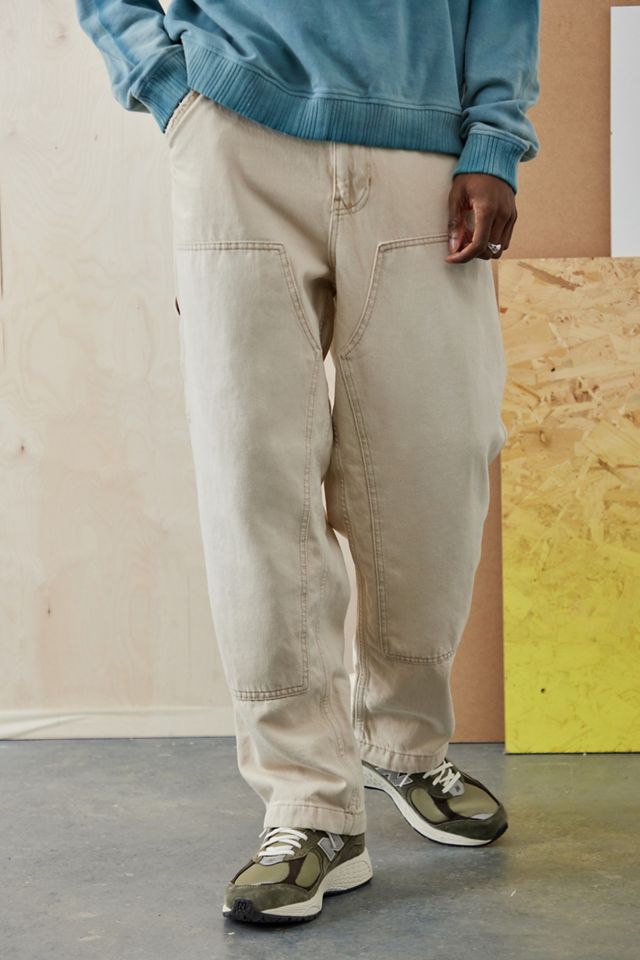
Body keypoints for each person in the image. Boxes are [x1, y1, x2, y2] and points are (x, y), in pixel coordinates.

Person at [75, 0, 540, 926]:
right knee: (257, 480)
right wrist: (163, 83)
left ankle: (404, 743)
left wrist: (494, 135)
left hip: (425, 142)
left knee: (436, 469)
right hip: (238, 135)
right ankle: (308, 805)